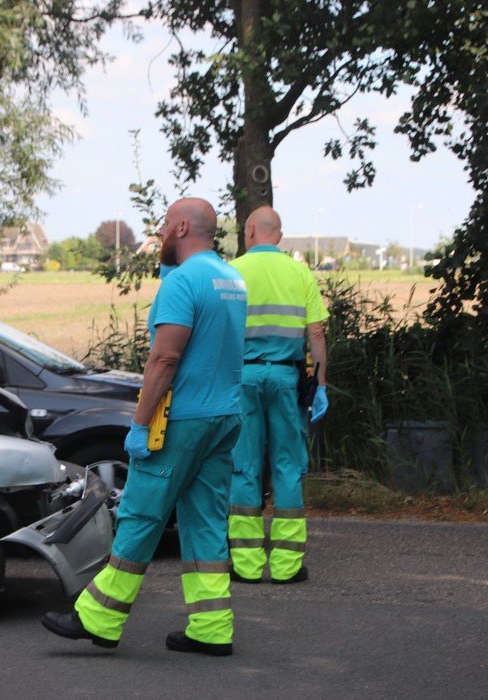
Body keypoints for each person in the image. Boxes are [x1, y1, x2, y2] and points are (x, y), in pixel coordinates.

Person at [42, 197, 247, 657]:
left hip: (182, 420)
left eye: (161, 229)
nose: (157, 237)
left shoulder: (184, 283)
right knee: (205, 522)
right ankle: (212, 628)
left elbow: (165, 358)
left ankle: (99, 617)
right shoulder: (232, 279)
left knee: (140, 514)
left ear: (178, 228)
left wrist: (139, 424)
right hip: (224, 417)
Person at [227, 206, 329, 586]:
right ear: (280, 237)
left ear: (250, 230)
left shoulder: (232, 272)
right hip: (287, 379)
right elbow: (316, 333)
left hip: (243, 377)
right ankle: (287, 566)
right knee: (288, 465)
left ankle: (246, 564)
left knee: (244, 465)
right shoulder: (299, 271)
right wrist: (320, 386)